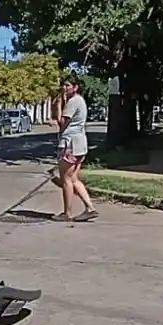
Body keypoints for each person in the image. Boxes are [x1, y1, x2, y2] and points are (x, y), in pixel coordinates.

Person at [55, 74, 97, 222]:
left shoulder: (73, 102)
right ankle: (90, 208)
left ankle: (67, 213)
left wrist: (59, 104)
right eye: (63, 85)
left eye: (67, 85)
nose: (64, 88)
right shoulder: (79, 101)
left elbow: (61, 124)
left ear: (75, 87)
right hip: (79, 144)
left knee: (65, 179)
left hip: (69, 144)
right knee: (73, 179)